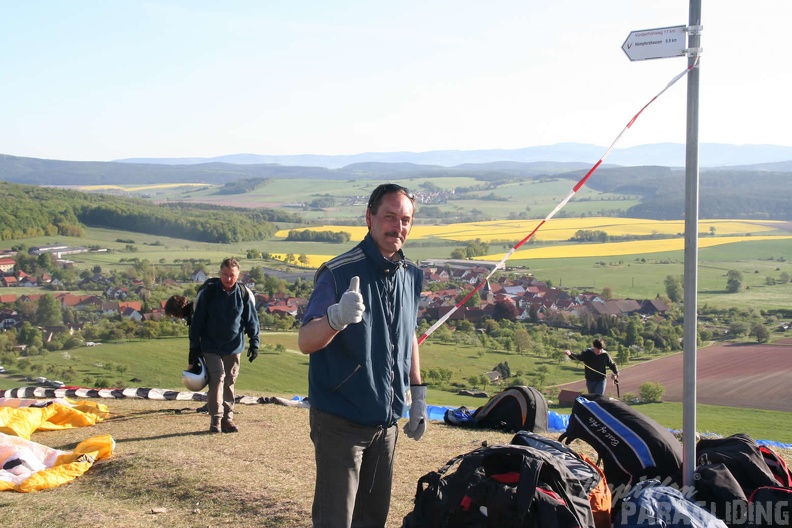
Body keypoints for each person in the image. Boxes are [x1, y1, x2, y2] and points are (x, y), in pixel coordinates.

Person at [298, 183, 426, 528]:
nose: (397, 227)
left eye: (405, 220)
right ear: (369, 218)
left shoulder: (411, 275)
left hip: (386, 425)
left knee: (372, 520)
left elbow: (408, 333)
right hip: (341, 421)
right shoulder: (338, 273)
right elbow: (306, 340)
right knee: (335, 521)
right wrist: (335, 318)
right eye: (389, 217)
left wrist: (417, 396)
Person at [189, 258, 260, 433]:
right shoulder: (209, 293)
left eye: (232, 275)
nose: (228, 279)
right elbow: (197, 322)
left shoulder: (243, 294)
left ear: (238, 275)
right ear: (220, 273)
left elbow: (251, 321)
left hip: (234, 346)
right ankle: (216, 420)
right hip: (210, 346)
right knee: (218, 378)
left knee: (229, 381)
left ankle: (228, 420)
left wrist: (254, 343)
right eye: (225, 275)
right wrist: (193, 348)